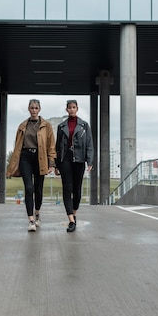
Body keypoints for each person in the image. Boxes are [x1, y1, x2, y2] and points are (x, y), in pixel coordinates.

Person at [7, 99, 56, 232]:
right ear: (28, 109)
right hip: (26, 158)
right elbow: (17, 145)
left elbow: (51, 145)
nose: (34, 110)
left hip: (40, 158)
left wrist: (51, 163)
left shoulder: (47, 125)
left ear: (39, 109)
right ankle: (31, 220)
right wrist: (15, 161)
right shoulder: (23, 125)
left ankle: (37, 212)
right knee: (29, 188)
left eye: (36, 108)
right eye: (32, 108)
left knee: (38, 189)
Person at [55, 99, 94, 232]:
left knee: (77, 190)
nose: (71, 109)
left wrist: (90, 161)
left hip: (79, 160)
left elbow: (89, 144)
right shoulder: (61, 127)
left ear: (77, 109)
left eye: (74, 107)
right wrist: (55, 165)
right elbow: (57, 146)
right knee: (67, 188)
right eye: (69, 108)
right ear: (66, 110)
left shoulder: (84, 125)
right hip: (64, 160)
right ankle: (71, 220)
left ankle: (75, 213)